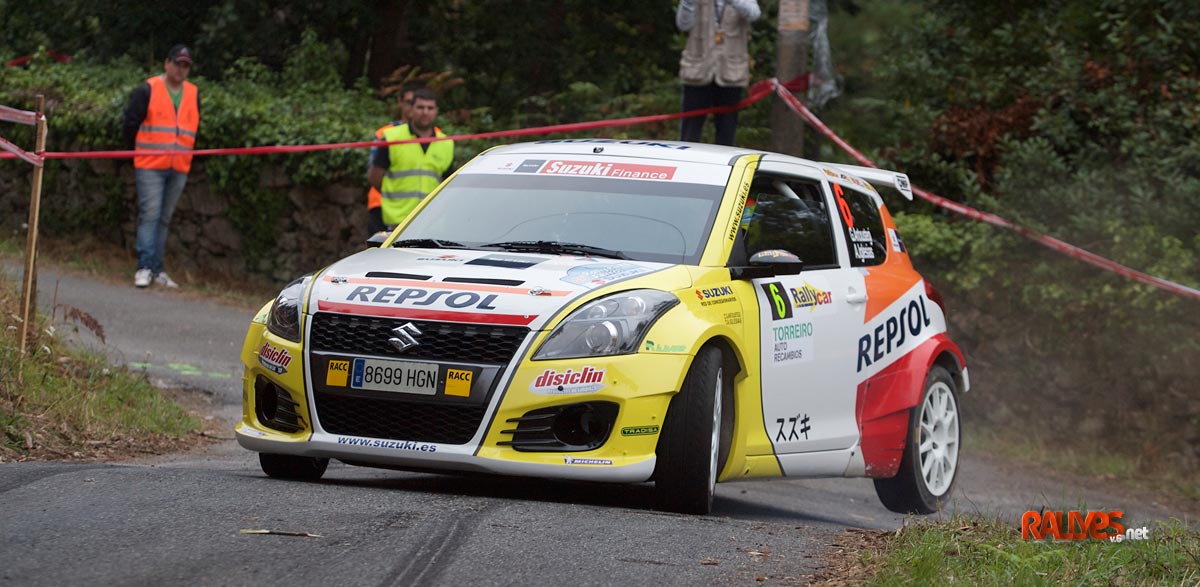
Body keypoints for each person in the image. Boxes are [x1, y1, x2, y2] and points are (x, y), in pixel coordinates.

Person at [122, 44, 200, 288]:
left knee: (164, 219)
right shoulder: (147, 89)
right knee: (150, 215)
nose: (180, 69)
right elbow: (129, 124)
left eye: (185, 65)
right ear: (167, 63)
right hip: (150, 164)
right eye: (177, 63)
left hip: (179, 166)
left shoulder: (193, 93)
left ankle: (157, 269)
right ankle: (144, 267)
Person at [676, 0, 761, 146]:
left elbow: (754, 15)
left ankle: (724, 167)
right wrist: (688, 3)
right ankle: (685, 163)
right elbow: (683, 25)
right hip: (698, 71)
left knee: (726, 132)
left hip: (730, 73)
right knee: (689, 131)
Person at [367, 87, 454, 229]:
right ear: (411, 110)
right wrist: (393, 196)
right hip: (397, 221)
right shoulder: (391, 137)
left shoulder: (446, 143)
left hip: (431, 222)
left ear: (436, 111)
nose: (425, 112)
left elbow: (448, 184)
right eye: (420, 107)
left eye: (430, 108)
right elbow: (374, 177)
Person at [366, 82, 425, 235]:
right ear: (400, 103)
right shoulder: (385, 134)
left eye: (416, 103)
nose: (413, 108)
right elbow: (374, 174)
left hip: (421, 210)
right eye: (409, 102)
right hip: (382, 206)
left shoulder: (437, 137)